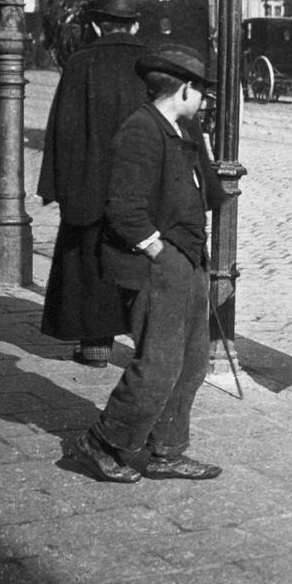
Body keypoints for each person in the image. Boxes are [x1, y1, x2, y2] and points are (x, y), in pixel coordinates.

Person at [68, 43, 227, 483]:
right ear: (184, 90)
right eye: (202, 93)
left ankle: (167, 451)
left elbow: (205, 195)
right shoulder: (141, 129)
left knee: (192, 361)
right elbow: (123, 207)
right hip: (158, 265)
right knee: (158, 365)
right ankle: (101, 441)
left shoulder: (182, 132)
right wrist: (157, 251)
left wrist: (207, 153)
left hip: (188, 260)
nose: (206, 101)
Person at [37, 0, 150, 368]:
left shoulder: (80, 63)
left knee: (90, 263)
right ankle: (148, 344)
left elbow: (62, 130)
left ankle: (97, 346)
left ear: (98, 26)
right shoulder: (152, 63)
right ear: (134, 25)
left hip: (90, 185)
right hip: (142, 187)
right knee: (140, 262)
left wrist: (55, 186)